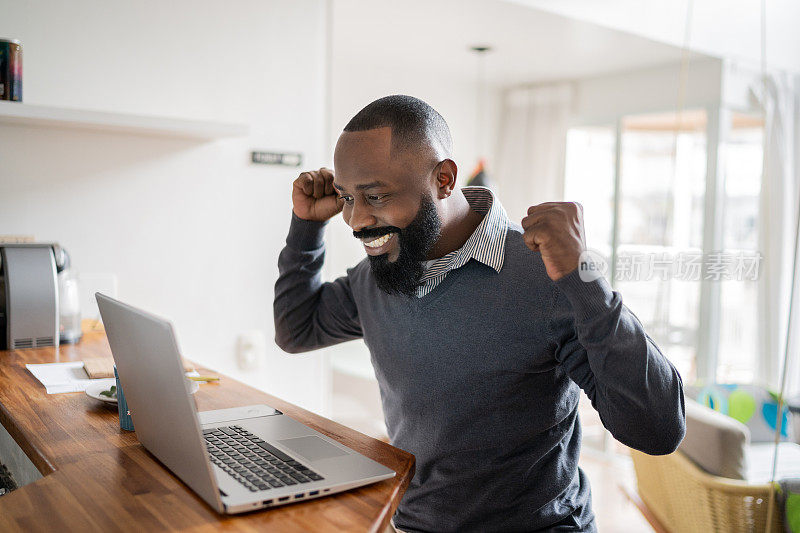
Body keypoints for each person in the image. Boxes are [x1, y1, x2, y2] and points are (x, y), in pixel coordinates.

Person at [273, 95, 685, 532]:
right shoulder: (376, 277)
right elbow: (297, 329)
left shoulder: (547, 275)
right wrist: (307, 226)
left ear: (444, 179)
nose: (356, 220)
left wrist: (585, 278)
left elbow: (657, 430)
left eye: (374, 196)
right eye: (346, 198)